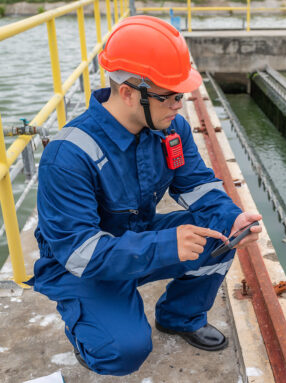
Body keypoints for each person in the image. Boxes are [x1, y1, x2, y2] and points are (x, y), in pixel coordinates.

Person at [27, 15, 262, 376]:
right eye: (170, 96)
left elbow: (198, 186)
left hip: (134, 238)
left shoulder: (170, 129)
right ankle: (88, 326)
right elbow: (79, 253)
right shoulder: (69, 155)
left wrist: (233, 218)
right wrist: (166, 246)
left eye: (181, 95)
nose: (178, 105)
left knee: (220, 232)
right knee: (123, 353)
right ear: (128, 93)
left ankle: (180, 317)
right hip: (80, 266)